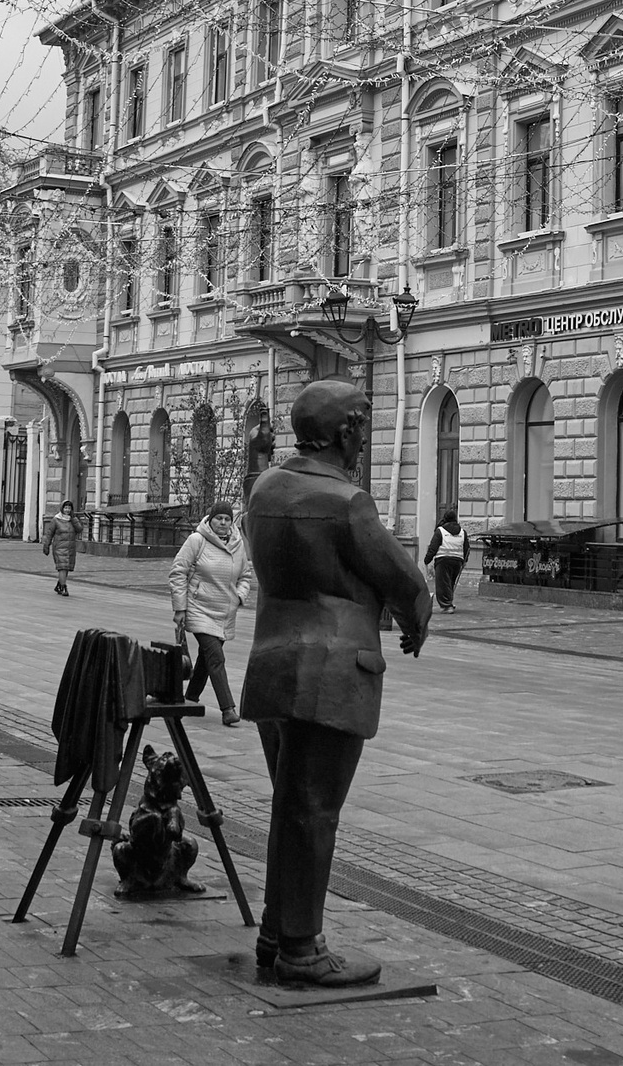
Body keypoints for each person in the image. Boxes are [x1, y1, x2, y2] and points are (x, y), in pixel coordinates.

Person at [240, 378, 432, 990]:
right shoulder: (349, 503)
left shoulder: (264, 487)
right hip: (330, 672)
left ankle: (277, 933)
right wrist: (414, 620)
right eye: (364, 422)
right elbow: (405, 581)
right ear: (346, 429)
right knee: (314, 810)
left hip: (273, 663)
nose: (366, 434)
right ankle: (302, 948)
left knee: (289, 805)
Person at [168, 498, 255, 726]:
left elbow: (246, 575)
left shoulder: (237, 544)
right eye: (219, 518)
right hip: (199, 608)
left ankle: (190, 699)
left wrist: (239, 596)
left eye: (227, 519)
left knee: (206, 660)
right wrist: (180, 608)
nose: (223, 523)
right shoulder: (197, 540)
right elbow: (178, 572)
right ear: (210, 519)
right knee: (215, 657)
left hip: (225, 611)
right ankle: (228, 709)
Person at [423, 509, 468, 613]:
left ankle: (447, 606)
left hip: (443, 561)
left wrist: (427, 560)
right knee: (450, 582)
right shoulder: (462, 532)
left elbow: (433, 547)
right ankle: (449, 602)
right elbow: (467, 548)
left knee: (442, 584)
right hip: (457, 561)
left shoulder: (440, 531)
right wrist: (465, 561)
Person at [39, 500, 79, 596]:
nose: (67, 510)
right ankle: (64, 587)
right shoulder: (56, 520)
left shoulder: (72, 519)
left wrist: (74, 519)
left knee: (66, 567)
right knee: (62, 567)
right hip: (59, 548)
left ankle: (59, 584)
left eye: (69, 508)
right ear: (62, 508)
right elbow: (49, 534)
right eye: (65, 508)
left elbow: (79, 529)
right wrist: (46, 545)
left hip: (70, 548)